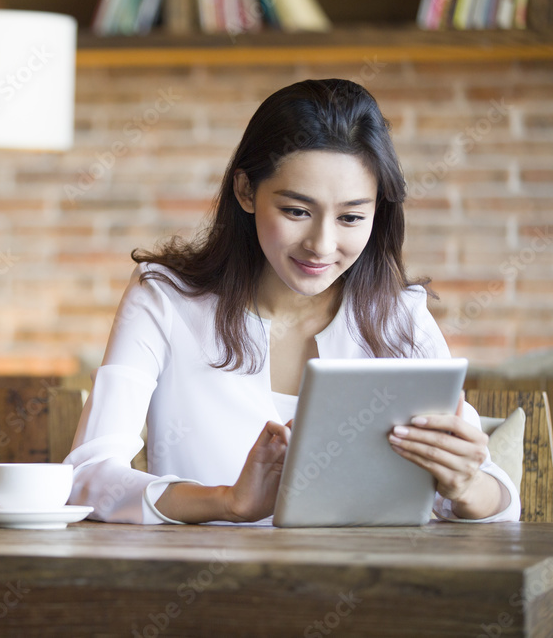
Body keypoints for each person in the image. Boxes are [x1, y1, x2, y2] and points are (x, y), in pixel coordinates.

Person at [64, 79, 520, 525]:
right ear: (246, 191)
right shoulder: (164, 299)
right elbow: (87, 476)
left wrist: (465, 485)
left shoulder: (400, 316)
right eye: (297, 211)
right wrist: (225, 502)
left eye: (351, 217)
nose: (322, 245)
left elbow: (501, 503)